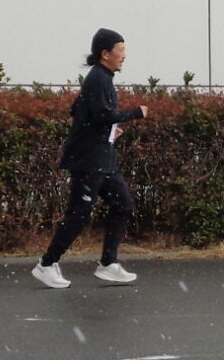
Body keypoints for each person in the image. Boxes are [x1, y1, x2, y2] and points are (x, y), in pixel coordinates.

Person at [34, 29, 146, 290]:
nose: (124, 55)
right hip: (88, 160)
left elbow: (80, 110)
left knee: (123, 205)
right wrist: (135, 113)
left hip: (102, 158)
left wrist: (108, 131)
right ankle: (47, 264)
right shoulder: (98, 78)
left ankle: (108, 264)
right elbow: (102, 115)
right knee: (79, 214)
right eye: (120, 50)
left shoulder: (102, 78)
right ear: (105, 54)